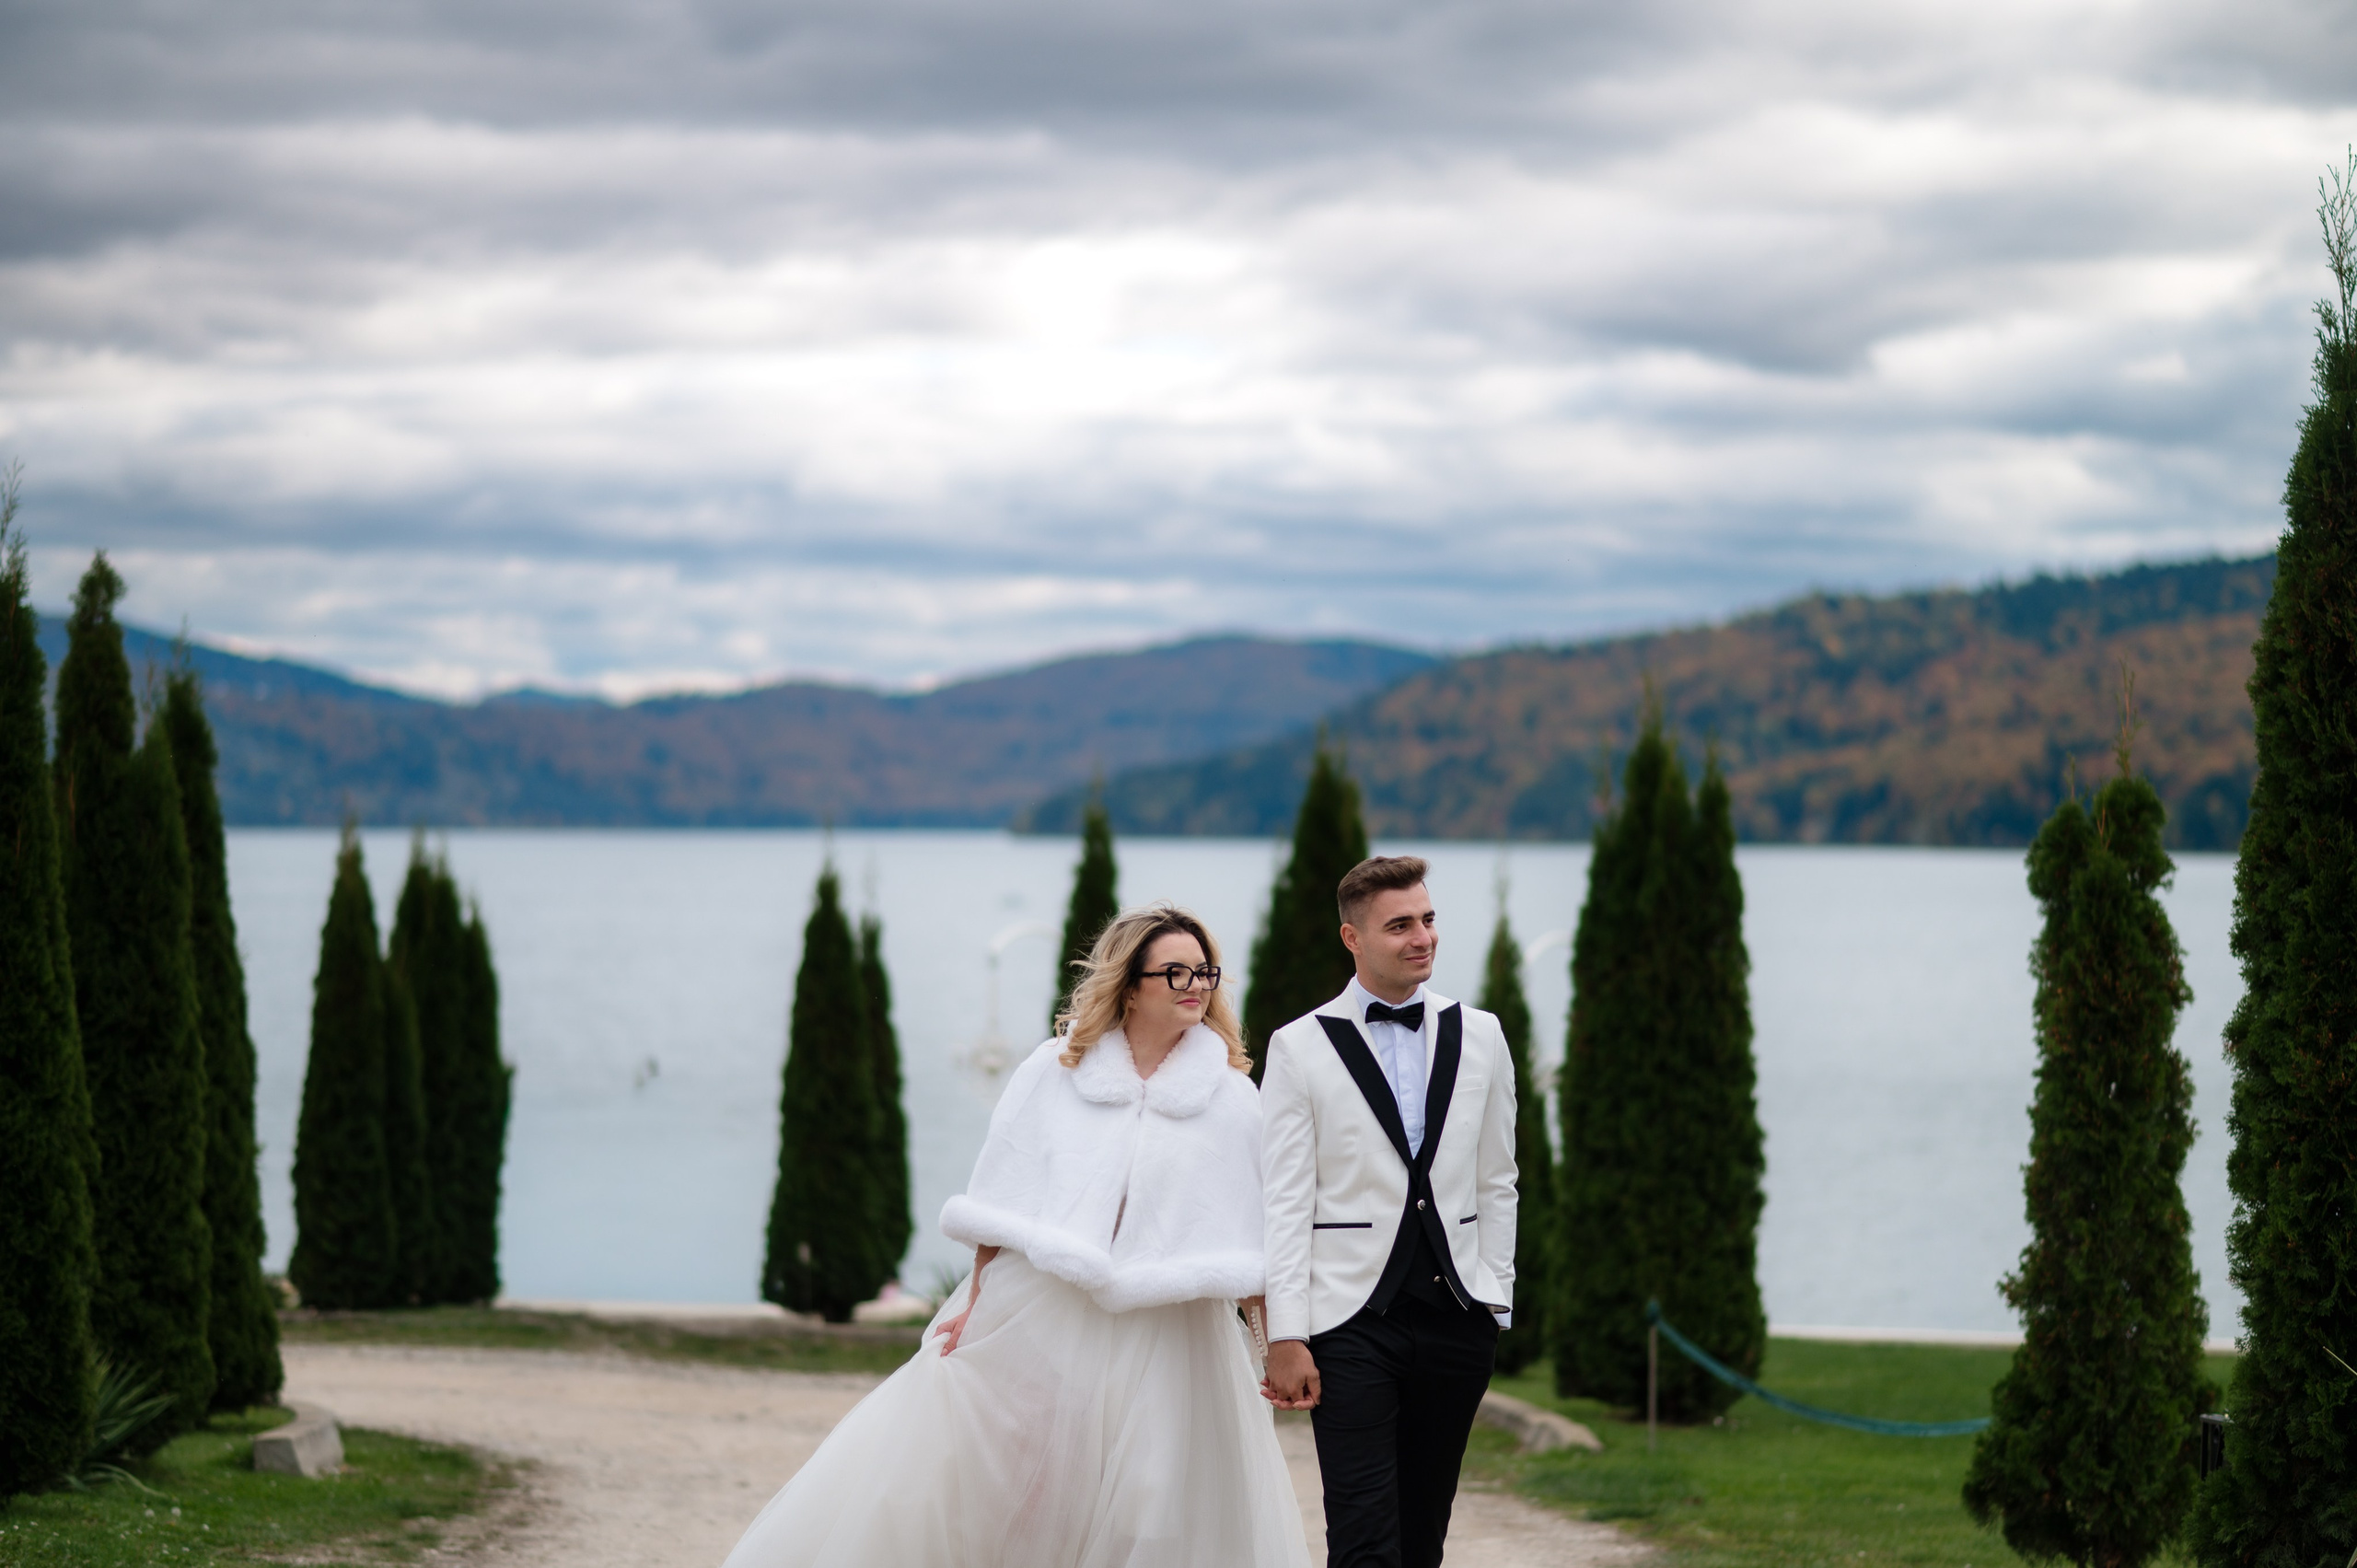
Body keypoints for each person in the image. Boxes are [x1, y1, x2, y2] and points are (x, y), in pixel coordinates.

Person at [720, 903, 1309, 1568]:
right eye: (1174, 971)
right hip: (1047, 1308)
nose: (1196, 985)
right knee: (1017, 1488)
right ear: (1130, 981)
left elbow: (1252, 1237)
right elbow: (1000, 1201)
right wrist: (974, 1302)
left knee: (1155, 1506)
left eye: (1205, 971)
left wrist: (1274, 1345)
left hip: (1174, 1338)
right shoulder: (1052, 1071)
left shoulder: (1232, 1098)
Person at [1258, 855, 1518, 1568]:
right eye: (1399, 924)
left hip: (1457, 1319)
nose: (1422, 937)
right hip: (1347, 1323)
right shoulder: (1298, 1046)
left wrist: (1496, 1298)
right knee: (1365, 1536)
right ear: (1353, 937)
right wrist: (1286, 1334)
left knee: (1423, 1532)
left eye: (1428, 919)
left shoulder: (1483, 1035)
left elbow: (1498, 1179)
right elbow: (1283, 1201)